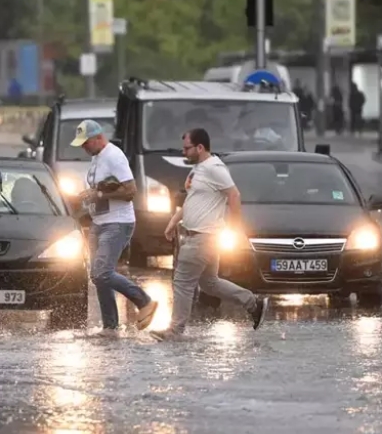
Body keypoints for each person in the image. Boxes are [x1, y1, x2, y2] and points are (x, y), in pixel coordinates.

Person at [150, 128, 269, 341]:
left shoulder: (214, 168)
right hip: (203, 236)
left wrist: (236, 226)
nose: (183, 152)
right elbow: (192, 201)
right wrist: (173, 221)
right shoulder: (198, 170)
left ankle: (175, 331)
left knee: (182, 282)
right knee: (209, 283)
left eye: (187, 148)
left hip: (203, 236)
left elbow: (234, 195)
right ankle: (253, 302)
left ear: (200, 147)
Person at [69, 120, 158, 337]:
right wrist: (86, 196)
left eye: (86, 143)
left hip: (117, 222)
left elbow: (130, 191)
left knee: (103, 272)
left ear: (98, 138)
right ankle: (110, 326)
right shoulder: (97, 158)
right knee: (97, 276)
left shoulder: (114, 156)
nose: (84, 148)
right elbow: (99, 188)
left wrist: (99, 195)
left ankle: (144, 301)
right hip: (99, 222)